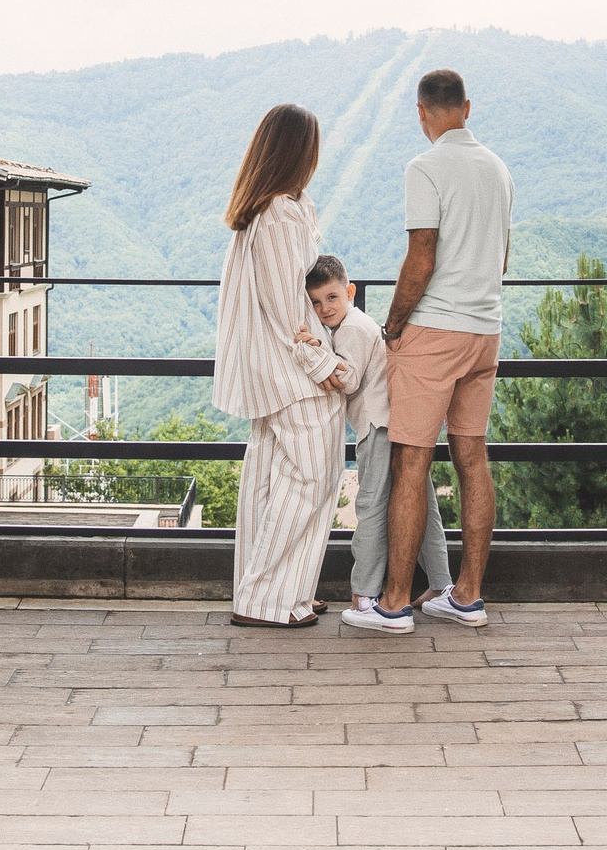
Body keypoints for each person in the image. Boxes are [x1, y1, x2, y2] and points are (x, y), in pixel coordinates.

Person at [377, 68, 513, 628]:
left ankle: (393, 604)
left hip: (434, 330)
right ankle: (467, 595)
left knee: (411, 460)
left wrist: (393, 325)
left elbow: (422, 256)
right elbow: (502, 257)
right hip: (485, 330)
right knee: (472, 458)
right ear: (467, 107)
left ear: (420, 112)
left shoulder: (425, 167)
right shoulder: (499, 169)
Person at [212, 103, 351, 628]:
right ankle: (267, 600)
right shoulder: (279, 214)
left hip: (270, 373)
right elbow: (287, 305)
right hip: (292, 373)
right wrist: (323, 363)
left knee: (269, 484)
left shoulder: (268, 211)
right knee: (313, 480)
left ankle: (277, 593)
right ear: (299, 153)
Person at [301, 255, 448, 635]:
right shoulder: (360, 321)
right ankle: (440, 584)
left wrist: (312, 350)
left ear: (349, 292)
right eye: (315, 302)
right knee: (420, 502)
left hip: (378, 424)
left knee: (371, 505)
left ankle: (364, 595)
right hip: (403, 418)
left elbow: (347, 380)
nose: (324, 308)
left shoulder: (349, 329)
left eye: (332, 297)